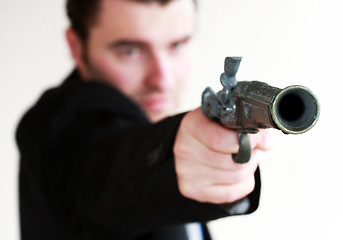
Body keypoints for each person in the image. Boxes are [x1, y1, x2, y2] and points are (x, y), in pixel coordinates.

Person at [16, 0, 271, 239]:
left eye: (177, 45)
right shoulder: (58, 123)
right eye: (130, 51)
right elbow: (102, 174)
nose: (163, 80)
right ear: (77, 48)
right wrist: (170, 153)